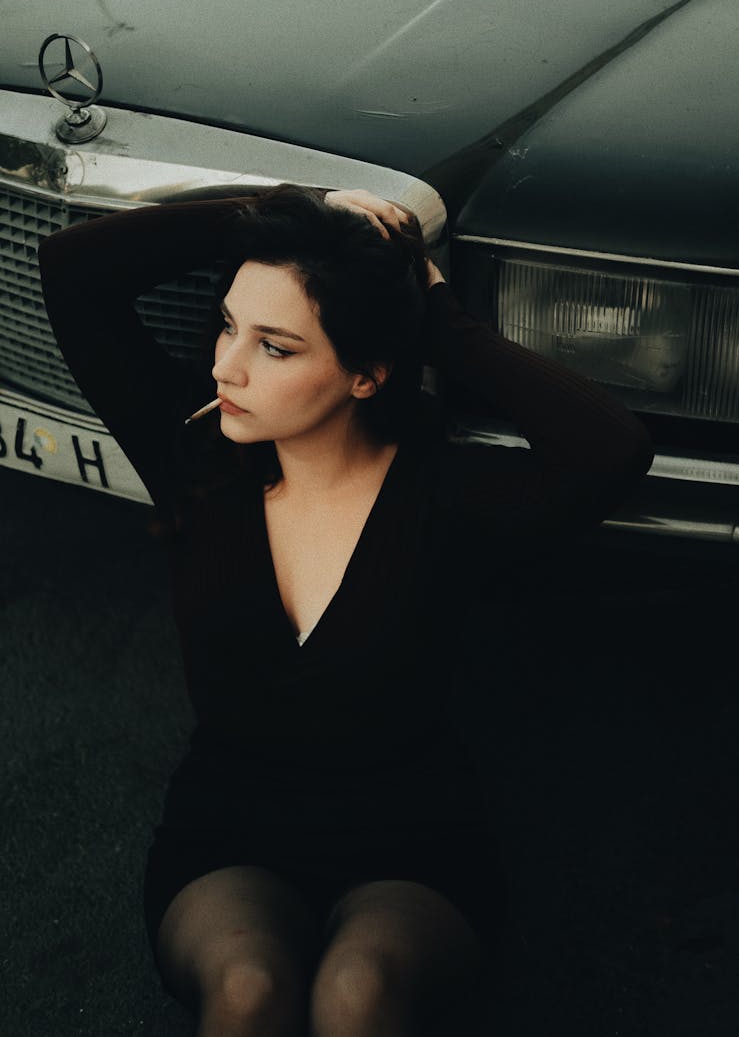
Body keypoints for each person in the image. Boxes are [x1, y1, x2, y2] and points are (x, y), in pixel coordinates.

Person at [38, 184, 653, 1037]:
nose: (226, 367)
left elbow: (612, 448)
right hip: (230, 832)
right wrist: (301, 210)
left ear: (368, 371)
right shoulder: (196, 463)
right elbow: (72, 269)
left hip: (415, 840)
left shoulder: (447, 497)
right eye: (228, 326)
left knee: (356, 993)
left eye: (277, 346)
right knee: (249, 989)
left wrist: (438, 319)